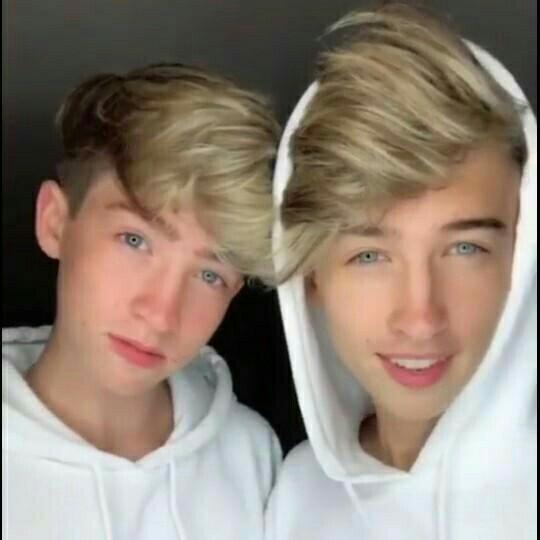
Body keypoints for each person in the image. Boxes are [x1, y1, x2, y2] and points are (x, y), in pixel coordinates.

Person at [268, 5, 536, 539]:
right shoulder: (297, 494)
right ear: (310, 277)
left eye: (465, 249)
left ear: (521, 258)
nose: (420, 318)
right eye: (370, 256)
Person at [3, 63, 282, 540]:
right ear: (54, 223)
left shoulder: (251, 455)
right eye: (134, 241)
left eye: (209, 274)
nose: (160, 314)